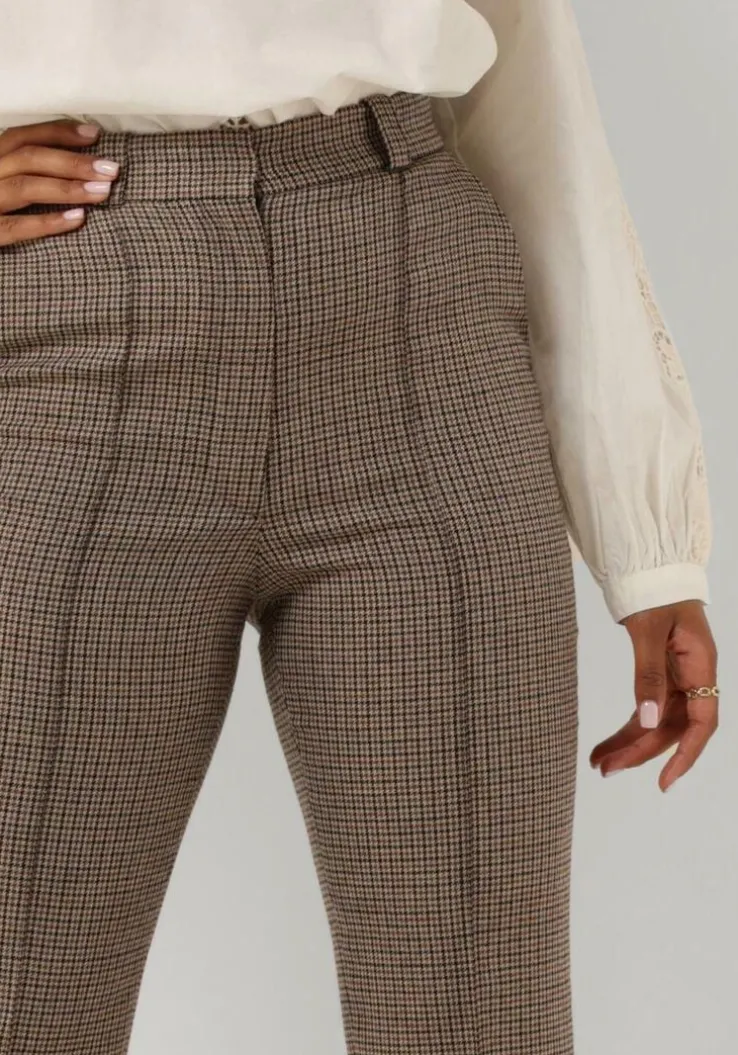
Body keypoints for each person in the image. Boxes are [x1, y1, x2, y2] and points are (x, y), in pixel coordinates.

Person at [0, 0, 719, 1053]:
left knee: (480, 1026)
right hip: (73, 308)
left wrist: (646, 538)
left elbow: (529, 74)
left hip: (420, 310)